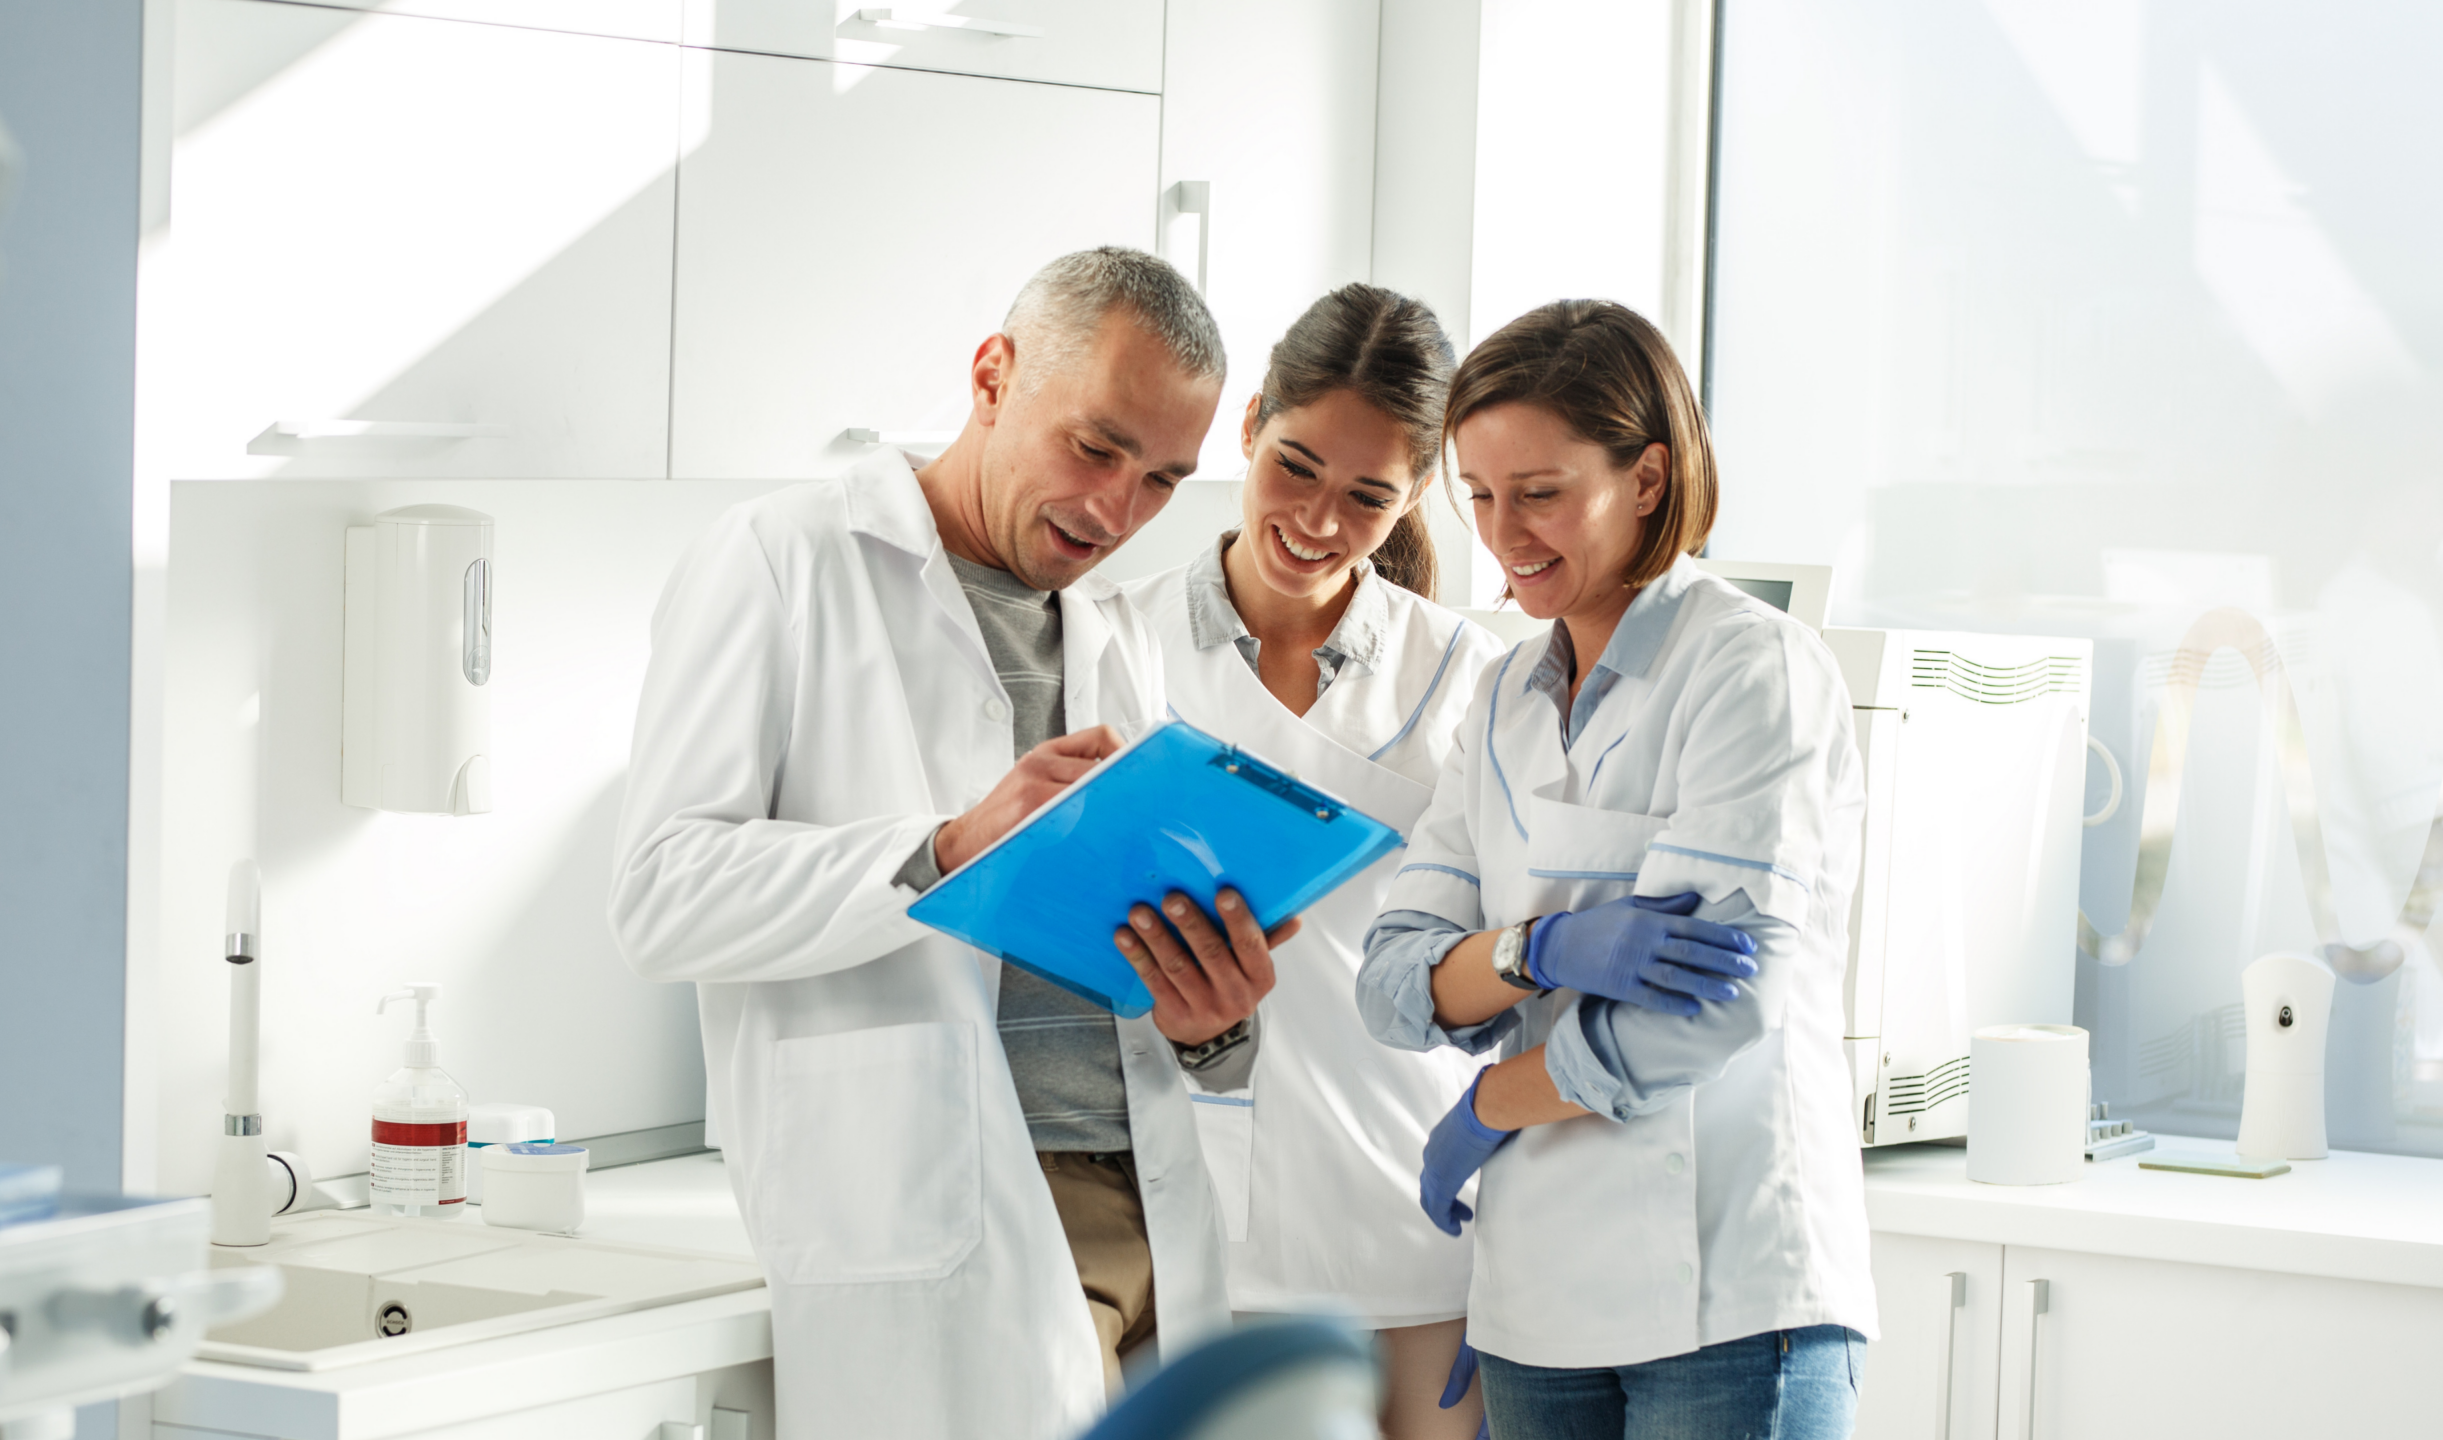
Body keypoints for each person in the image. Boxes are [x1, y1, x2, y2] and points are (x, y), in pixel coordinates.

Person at [611, 248, 1297, 1440]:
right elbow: (660, 891)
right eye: (1095, 447)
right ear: (993, 374)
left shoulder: (1106, 632)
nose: (1115, 512)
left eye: (1161, 481)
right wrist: (941, 846)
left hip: (1152, 1209)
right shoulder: (785, 557)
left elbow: (1108, 957)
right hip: (958, 1206)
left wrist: (1213, 1020)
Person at [1357, 299, 1875, 1439]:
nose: (1503, 533)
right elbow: (1393, 981)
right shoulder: (1499, 698)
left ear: (1646, 477)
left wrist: (1493, 1094)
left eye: (1539, 493)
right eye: (1478, 495)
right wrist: (1535, 950)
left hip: (1728, 1295)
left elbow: (1714, 1011)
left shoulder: (1748, 669)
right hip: (1536, 1302)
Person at [1121, 283, 1503, 1440]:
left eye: (1367, 497)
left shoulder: (1468, 675)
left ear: (1419, 492)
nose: (1319, 520)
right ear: (1248, 427)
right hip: (1190, 1227)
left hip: (1415, 1224)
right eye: (1295, 468)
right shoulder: (1114, 644)